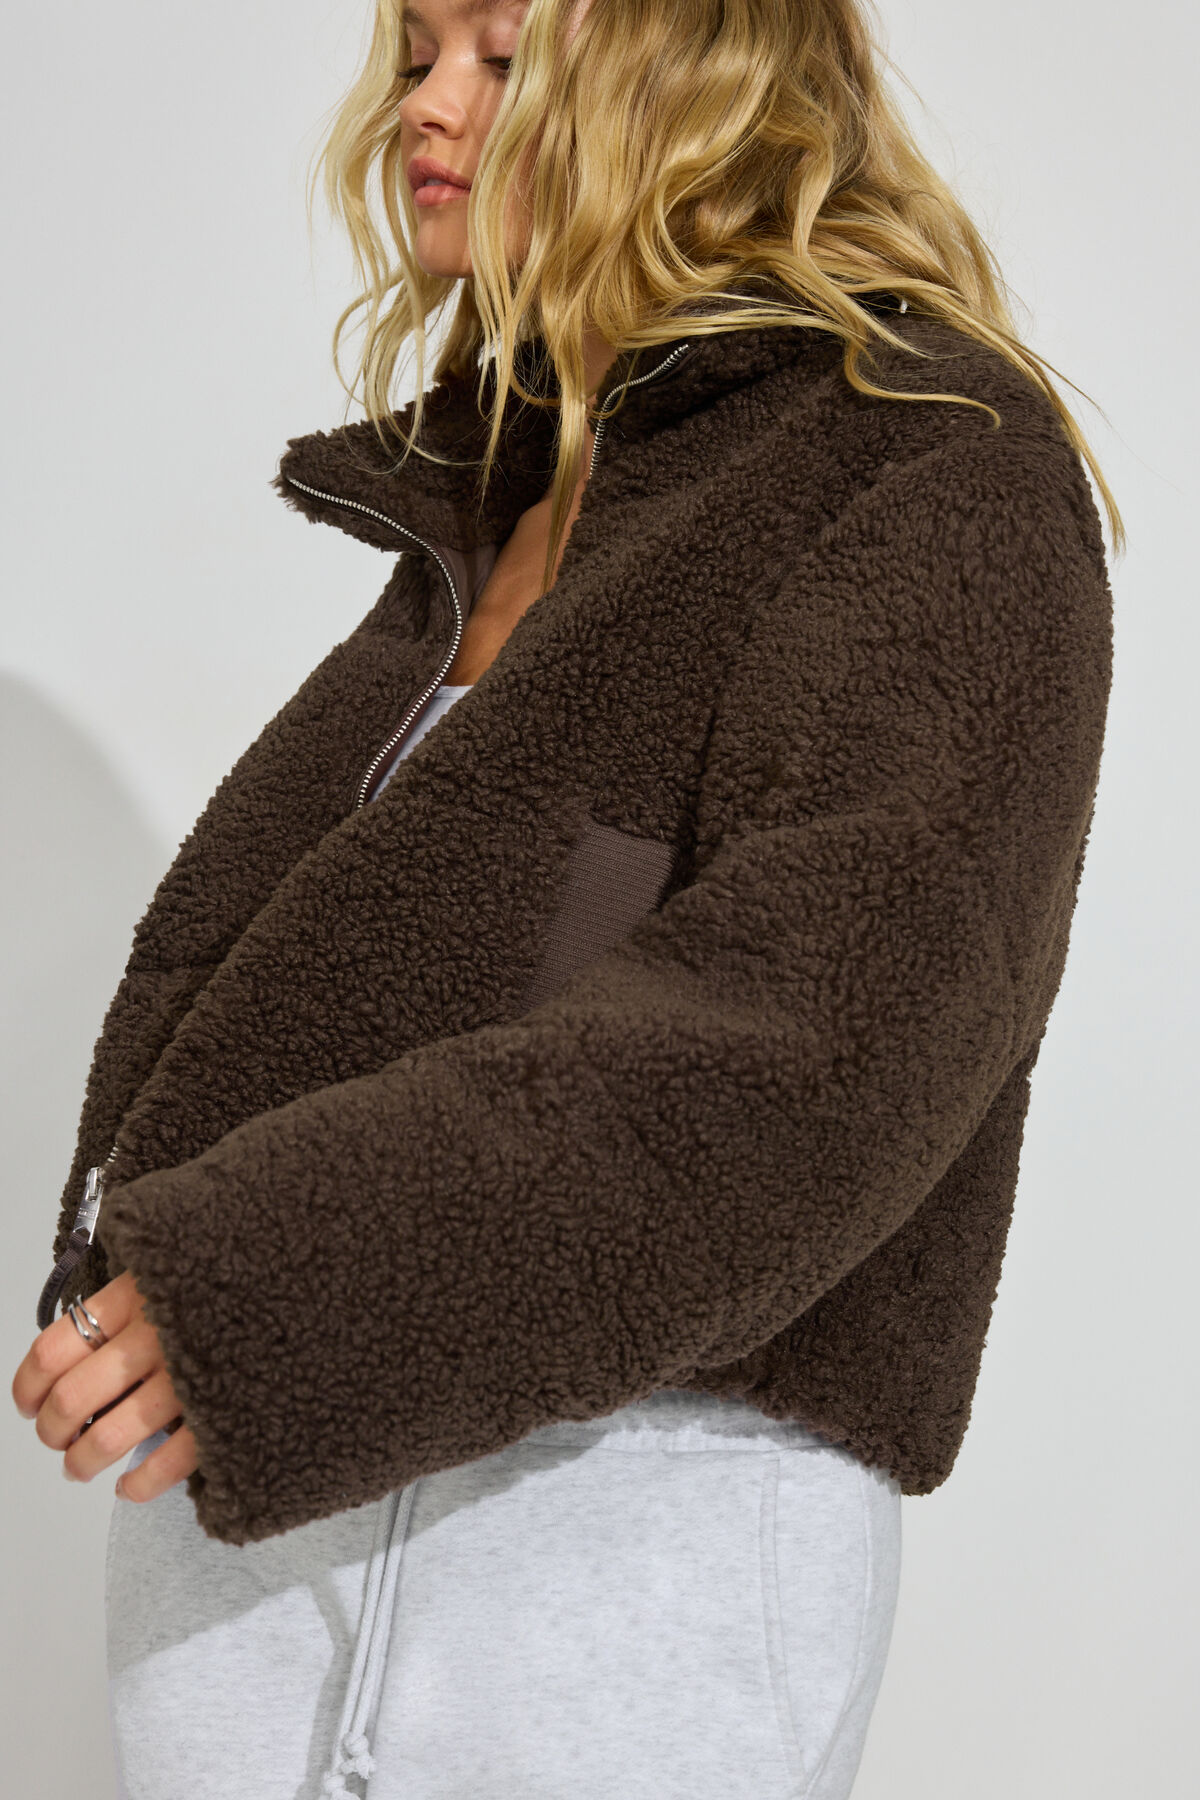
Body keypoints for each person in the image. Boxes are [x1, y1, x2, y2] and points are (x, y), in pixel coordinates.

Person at [11, 1, 1120, 1796]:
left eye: (504, 56)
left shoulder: (929, 465)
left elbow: (819, 1049)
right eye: (418, 52)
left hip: (622, 1552)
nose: (428, 108)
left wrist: (283, 1284)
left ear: (704, 70)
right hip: (254, 1550)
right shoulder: (504, 504)